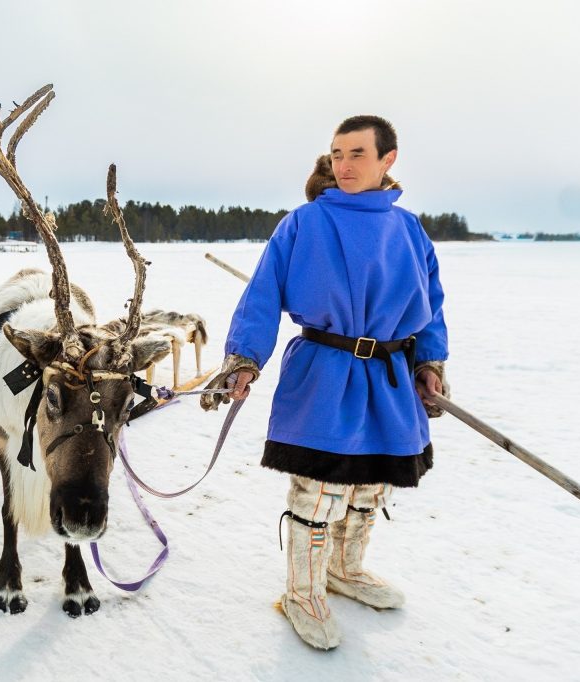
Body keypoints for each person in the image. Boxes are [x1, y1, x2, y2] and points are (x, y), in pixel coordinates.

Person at [201, 115, 450, 650]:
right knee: (319, 494)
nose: (343, 164)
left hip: (388, 376)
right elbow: (263, 295)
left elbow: (431, 308)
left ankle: (345, 570)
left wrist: (430, 364)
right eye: (337, 154)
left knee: (370, 487)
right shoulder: (304, 223)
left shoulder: (409, 230)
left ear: (388, 160)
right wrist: (244, 358)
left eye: (357, 153)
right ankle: (303, 591)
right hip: (325, 372)